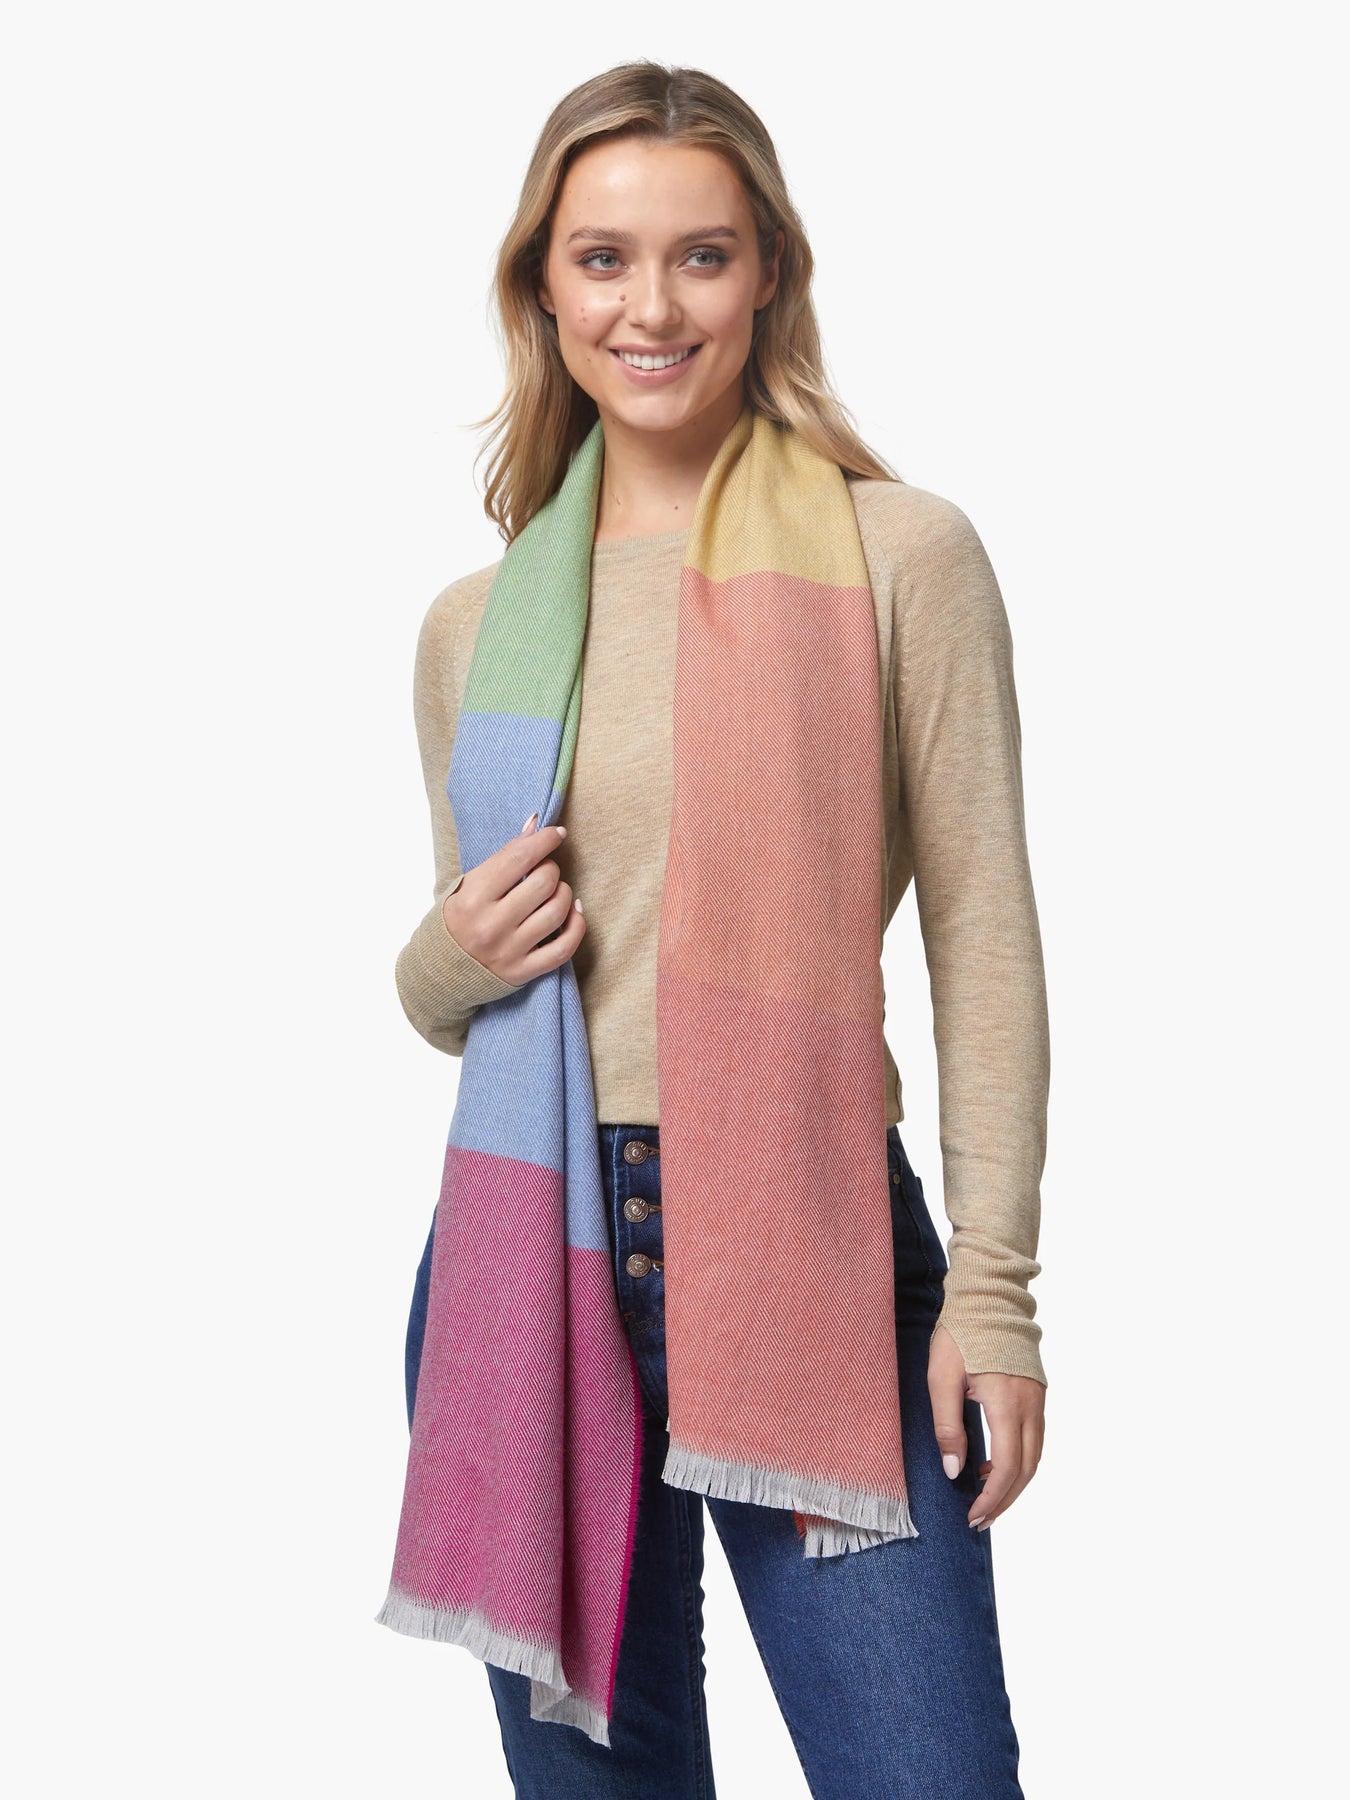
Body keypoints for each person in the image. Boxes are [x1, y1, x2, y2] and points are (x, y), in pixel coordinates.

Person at [390, 60, 1049, 1799]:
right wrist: (447, 957)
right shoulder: (476, 622)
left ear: (766, 276)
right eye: (602, 258)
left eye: (700, 256)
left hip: (813, 1239)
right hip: (530, 1261)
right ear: (543, 287)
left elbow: (982, 935)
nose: (651, 307)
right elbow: (457, 984)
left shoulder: (902, 556)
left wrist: (993, 1293)